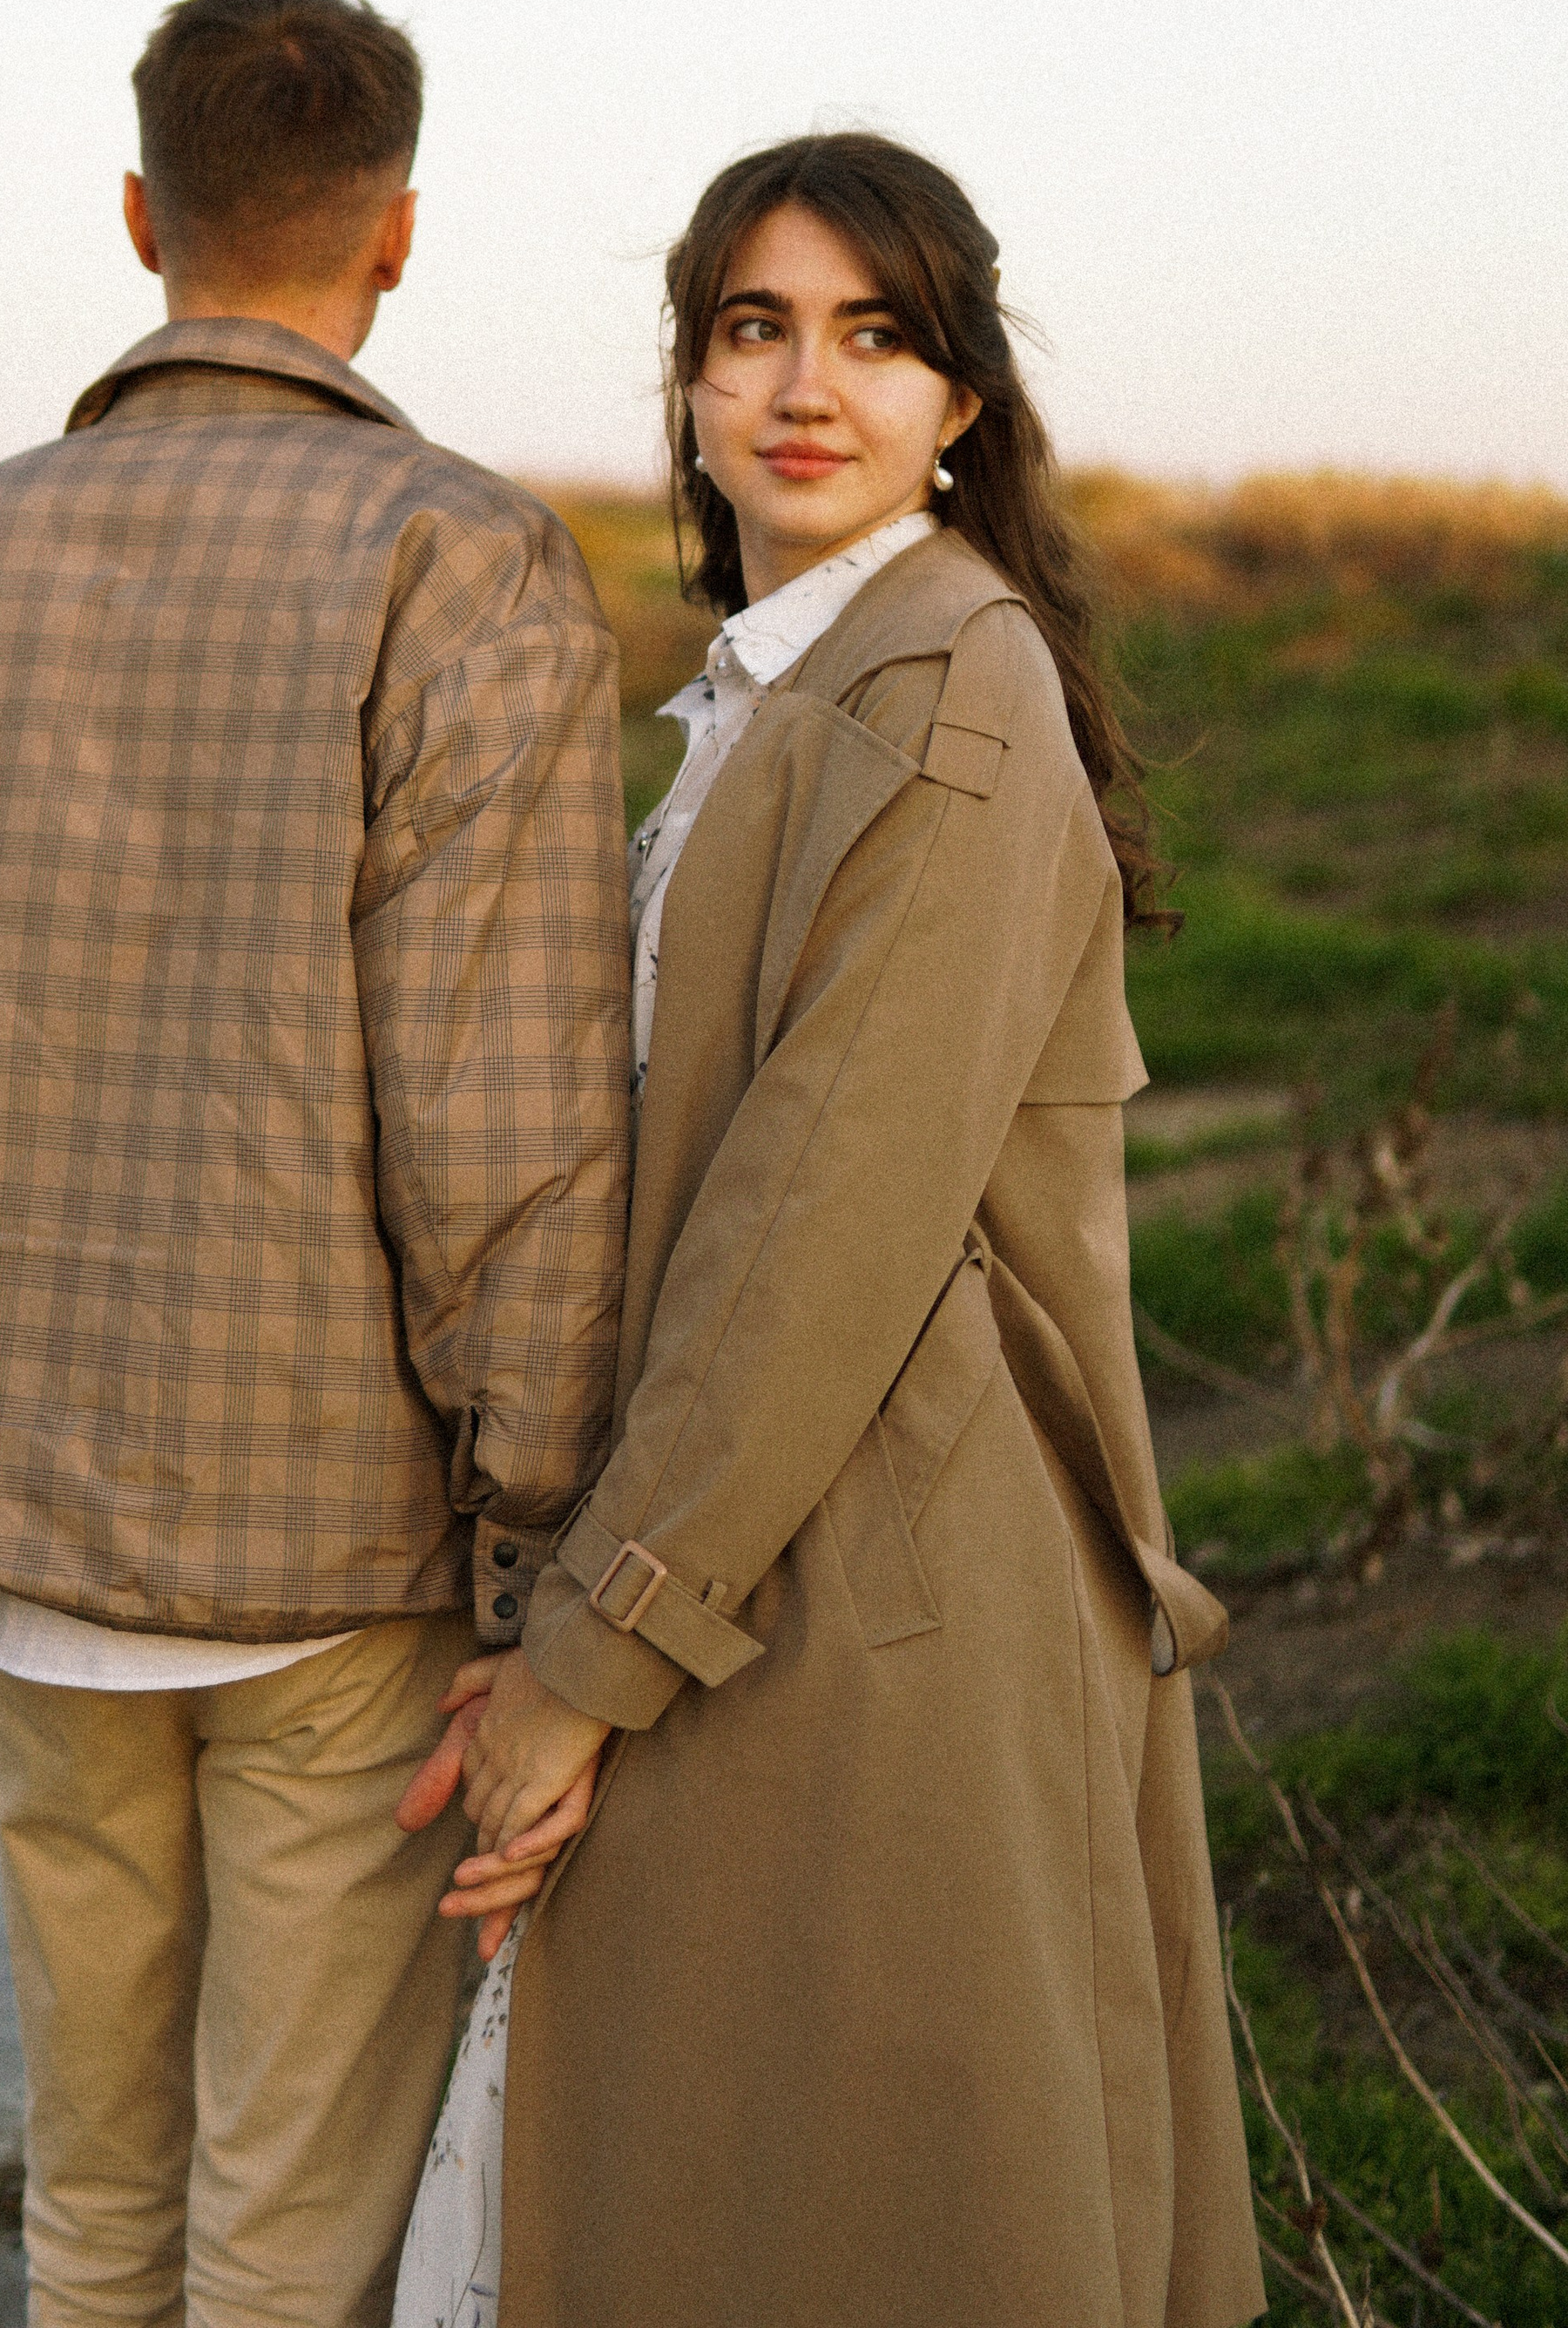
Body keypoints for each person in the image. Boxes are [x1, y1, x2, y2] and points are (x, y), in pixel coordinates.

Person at [0, 0, 632, 2328]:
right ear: (402, 233)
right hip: (334, 1573)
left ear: (143, 210)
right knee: (288, 2245)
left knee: (96, 2211)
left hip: (24, 1575)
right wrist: (545, 1570)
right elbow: (514, 1138)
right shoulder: (460, 560)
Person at [393, 133, 1263, 2328]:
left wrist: (582, 1659)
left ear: (958, 398)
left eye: (875, 337)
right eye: (753, 329)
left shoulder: (941, 683)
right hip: (760, 1531)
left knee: (855, 2200)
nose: (808, 385)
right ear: (685, 380)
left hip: (879, 1582)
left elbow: (820, 1217)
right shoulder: (785, 678)